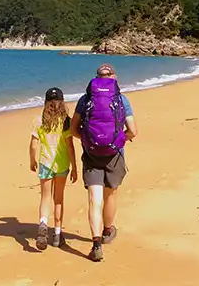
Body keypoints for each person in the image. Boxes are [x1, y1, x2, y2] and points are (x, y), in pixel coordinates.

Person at [70, 63, 138, 262]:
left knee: (94, 199)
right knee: (110, 195)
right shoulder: (122, 100)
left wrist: (88, 141)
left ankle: (96, 244)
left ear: (97, 78)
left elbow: (74, 129)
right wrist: (118, 141)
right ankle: (108, 231)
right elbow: (133, 131)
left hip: (91, 154)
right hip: (114, 155)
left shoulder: (85, 99)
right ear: (114, 78)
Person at [29, 87, 78, 251]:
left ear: (46, 102)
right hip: (62, 165)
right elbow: (70, 146)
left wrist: (32, 161)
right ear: (62, 103)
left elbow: (33, 145)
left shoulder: (39, 120)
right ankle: (57, 235)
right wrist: (75, 167)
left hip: (45, 164)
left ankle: (43, 223)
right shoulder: (66, 121)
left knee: (45, 197)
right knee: (58, 199)